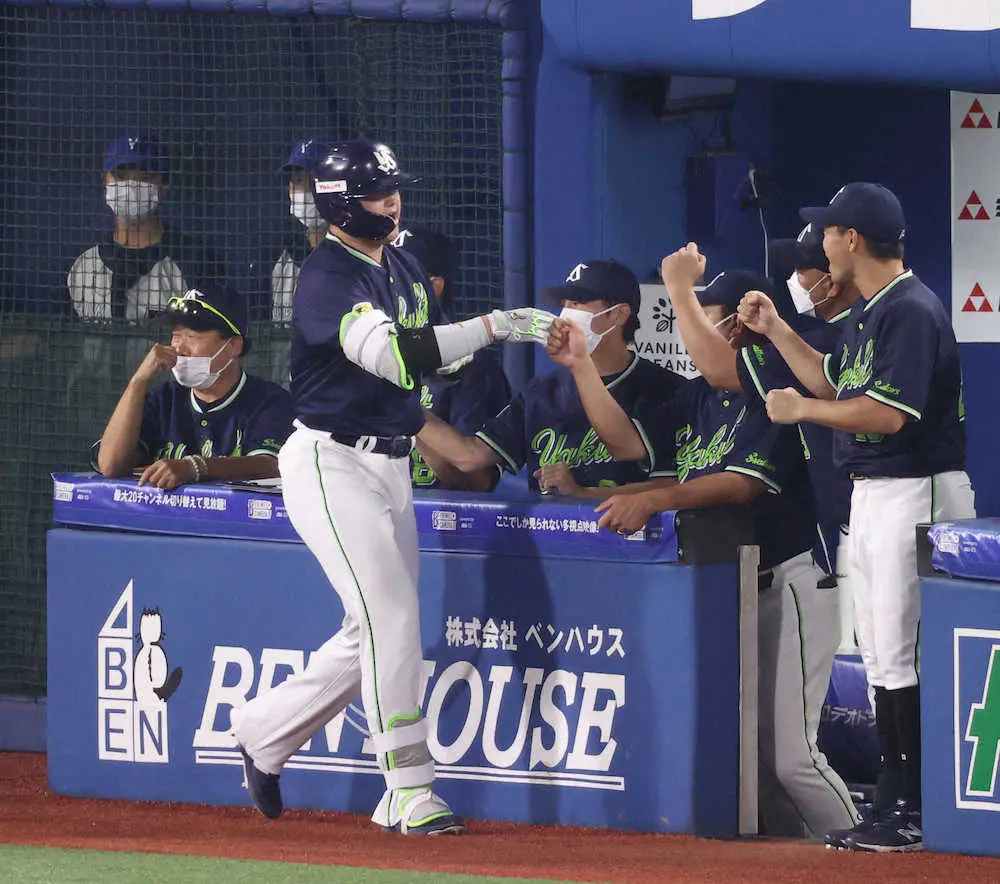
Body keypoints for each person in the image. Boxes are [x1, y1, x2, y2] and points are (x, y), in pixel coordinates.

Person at [229, 138, 554, 835]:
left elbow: (427, 358)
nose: (392, 199)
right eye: (378, 192)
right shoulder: (324, 277)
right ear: (342, 202)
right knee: (392, 622)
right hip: (330, 461)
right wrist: (501, 325)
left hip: (390, 461)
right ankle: (409, 788)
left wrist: (480, 339)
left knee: (369, 630)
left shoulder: (401, 263)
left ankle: (262, 730)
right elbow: (397, 357)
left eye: (393, 188)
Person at [548, 267, 859, 841]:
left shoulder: (777, 389)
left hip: (790, 581)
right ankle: (803, 862)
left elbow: (740, 486)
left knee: (792, 756)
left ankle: (874, 855)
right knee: (753, 760)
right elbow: (638, 454)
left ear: (739, 329)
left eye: (710, 320)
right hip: (733, 590)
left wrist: (656, 500)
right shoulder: (696, 396)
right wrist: (588, 490)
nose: (697, 338)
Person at [737, 182, 976, 852]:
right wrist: (778, 330)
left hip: (915, 488)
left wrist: (803, 412)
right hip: (873, 494)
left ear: (853, 239)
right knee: (878, 652)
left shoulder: (912, 309)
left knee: (901, 652)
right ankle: (895, 805)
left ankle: (912, 810)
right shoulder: (873, 312)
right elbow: (832, 380)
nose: (823, 242)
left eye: (831, 231)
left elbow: (889, 414)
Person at [417, 260, 682, 498]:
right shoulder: (541, 392)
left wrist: (584, 494)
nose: (565, 314)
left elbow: (675, 484)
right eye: (564, 304)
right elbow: (470, 456)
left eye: (577, 303)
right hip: (554, 545)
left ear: (618, 315)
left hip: (630, 547)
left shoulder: (664, 388)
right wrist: (405, 408)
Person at [95, 283, 293, 489]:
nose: (179, 348)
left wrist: (195, 467)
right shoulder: (163, 399)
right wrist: (138, 382)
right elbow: (111, 465)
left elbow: (269, 465)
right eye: (176, 335)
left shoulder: (270, 401)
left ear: (233, 345)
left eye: (191, 337)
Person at [393, 227, 511, 491]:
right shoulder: (361, 359)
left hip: (438, 525)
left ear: (434, 287)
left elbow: (478, 481)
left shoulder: (474, 371)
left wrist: (408, 417)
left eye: (397, 280)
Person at [68, 133, 224, 321]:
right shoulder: (84, 266)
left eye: (145, 176)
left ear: (164, 184)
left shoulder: (196, 259)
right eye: (120, 175)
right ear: (105, 181)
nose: (131, 186)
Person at [270, 135, 332, 324]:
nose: (296, 189)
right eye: (296, 181)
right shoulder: (284, 258)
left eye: (312, 180)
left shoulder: (358, 251)